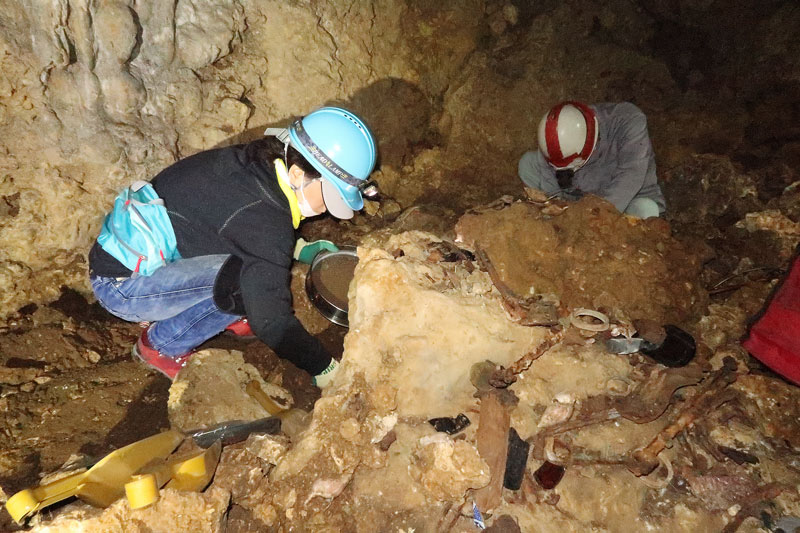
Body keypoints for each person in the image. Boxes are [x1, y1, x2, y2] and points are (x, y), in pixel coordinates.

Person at [88, 106, 378, 385]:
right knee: (244, 286)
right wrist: (322, 366)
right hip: (124, 287)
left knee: (253, 272)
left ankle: (205, 310)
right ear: (298, 173)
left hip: (132, 254)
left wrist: (297, 248)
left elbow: (235, 224)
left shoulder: (261, 159)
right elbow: (270, 320)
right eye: (329, 195)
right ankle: (162, 345)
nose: (328, 208)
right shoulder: (264, 219)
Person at [518, 101, 665, 218]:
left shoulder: (628, 121)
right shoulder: (558, 134)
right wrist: (557, 209)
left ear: (591, 145)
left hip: (627, 200)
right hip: (579, 198)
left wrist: (593, 215)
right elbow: (548, 175)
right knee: (527, 164)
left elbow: (631, 177)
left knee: (646, 210)